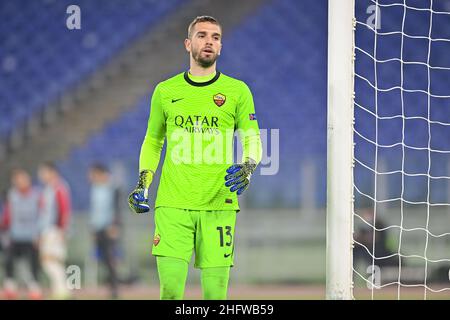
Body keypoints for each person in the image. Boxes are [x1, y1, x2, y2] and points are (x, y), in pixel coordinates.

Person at [128, 15, 262, 300]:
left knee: (216, 295)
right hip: (173, 205)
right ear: (188, 43)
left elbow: (252, 138)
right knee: (171, 291)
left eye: (215, 37)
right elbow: (153, 141)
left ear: (221, 47)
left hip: (219, 204)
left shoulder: (238, 91)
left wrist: (249, 166)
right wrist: (143, 182)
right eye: (202, 35)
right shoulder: (165, 91)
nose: (209, 41)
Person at [1, 169, 42, 300]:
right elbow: (8, 215)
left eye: (23, 179)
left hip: (32, 236)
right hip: (15, 235)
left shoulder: (36, 195)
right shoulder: (12, 195)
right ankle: (10, 288)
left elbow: (42, 214)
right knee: (9, 261)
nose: (20, 182)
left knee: (32, 263)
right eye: (17, 180)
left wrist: (39, 233)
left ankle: (35, 289)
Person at [38, 162, 71, 299]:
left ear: (52, 172)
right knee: (53, 261)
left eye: (43, 172)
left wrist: (62, 230)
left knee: (49, 261)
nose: (41, 176)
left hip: (54, 230)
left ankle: (62, 291)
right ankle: (60, 290)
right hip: (49, 229)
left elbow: (64, 210)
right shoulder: (49, 188)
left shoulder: (59, 188)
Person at [88, 163, 121, 299]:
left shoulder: (113, 188)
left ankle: (114, 289)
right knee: (102, 259)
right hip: (98, 229)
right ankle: (110, 283)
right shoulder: (94, 188)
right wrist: (93, 229)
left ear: (100, 173)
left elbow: (117, 208)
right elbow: (94, 210)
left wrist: (115, 226)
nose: (90, 177)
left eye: (93, 174)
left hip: (109, 229)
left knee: (110, 258)